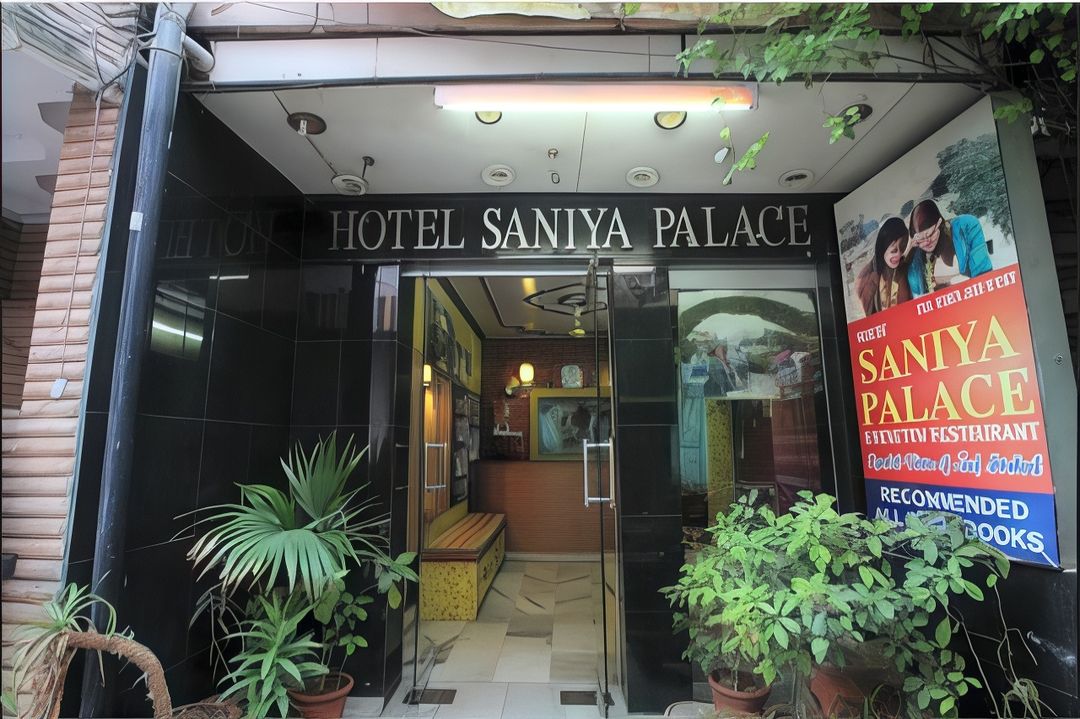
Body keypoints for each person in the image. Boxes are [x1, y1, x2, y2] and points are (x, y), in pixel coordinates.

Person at [906, 199, 992, 297]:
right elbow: (916, 288)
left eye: (931, 234)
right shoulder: (918, 254)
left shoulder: (966, 226)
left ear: (939, 223)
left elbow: (984, 274)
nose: (927, 242)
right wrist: (910, 250)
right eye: (921, 239)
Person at [854, 216, 913, 316]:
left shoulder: (904, 267)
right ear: (883, 247)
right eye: (894, 250)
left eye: (902, 247)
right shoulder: (867, 279)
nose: (898, 254)